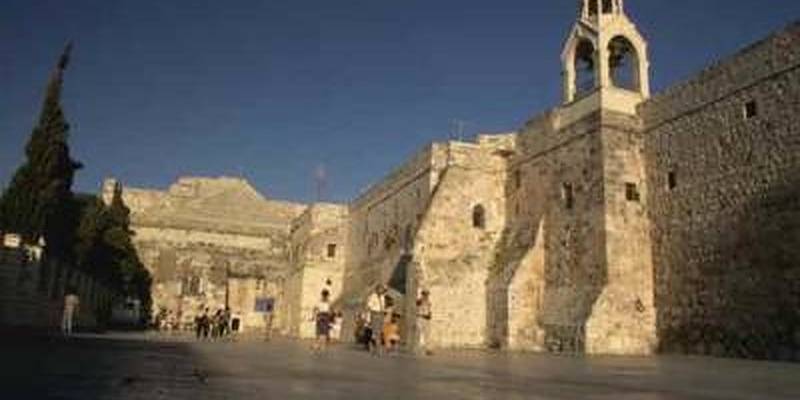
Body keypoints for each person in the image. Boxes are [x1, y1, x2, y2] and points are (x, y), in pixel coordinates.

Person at [366, 284, 387, 354]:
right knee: (376, 331)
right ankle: (378, 348)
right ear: (377, 289)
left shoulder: (383, 297)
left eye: (382, 290)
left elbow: (383, 306)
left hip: (381, 314)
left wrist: (384, 312)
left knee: (379, 331)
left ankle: (371, 344)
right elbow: (369, 306)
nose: (381, 291)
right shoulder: (372, 296)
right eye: (380, 289)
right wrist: (371, 312)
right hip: (375, 313)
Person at [416, 289, 433, 355]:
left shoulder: (428, 302)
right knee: (420, 334)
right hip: (421, 318)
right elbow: (417, 304)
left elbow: (429, 310)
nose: (426, 296)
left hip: (426, 319)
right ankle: (420, 349)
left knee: (427, 334)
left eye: (427, 294)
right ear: (422, 295)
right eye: (425, 294)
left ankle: (427, 349)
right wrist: (421, 300)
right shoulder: (420, 301)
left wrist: (430, 314)